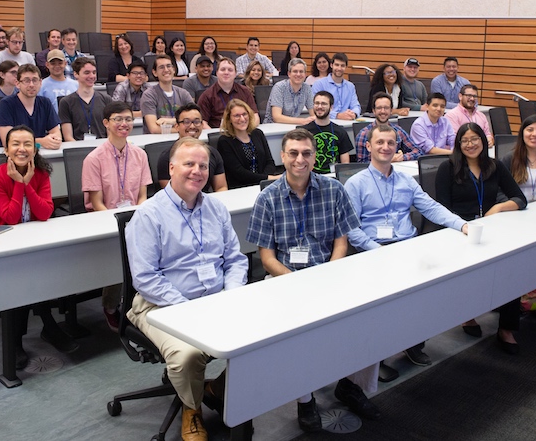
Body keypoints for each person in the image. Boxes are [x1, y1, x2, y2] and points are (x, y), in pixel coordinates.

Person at [246, 128, 378, 432]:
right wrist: (297, 282)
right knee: (298, 332)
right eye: (293, 153)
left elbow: (341, 243)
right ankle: (305, 400)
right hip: (285, 277)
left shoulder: (333, 190)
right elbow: (266, 258)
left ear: (315, 156)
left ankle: (350, 384)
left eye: (306, 153)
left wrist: (329, 275)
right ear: (283, 156)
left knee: (370, 312)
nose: (300, 159)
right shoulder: (268, 199)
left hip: (329, 272)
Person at [126, 137, 248, 441]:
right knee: (188, 355)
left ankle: (215, 388)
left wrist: (231, 295)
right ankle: (191, 409)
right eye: (189, 164)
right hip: (161, 305)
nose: (197, 171)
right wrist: (190, 309)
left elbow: (234, 259)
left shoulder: (216, 209)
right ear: (171, 167)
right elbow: (146, 278)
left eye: (203, 165)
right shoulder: (149, 214)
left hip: (216, 299)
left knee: (267, 335)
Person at [346, 123, 468, 368]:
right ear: (369, 146)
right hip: (374, 251)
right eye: (380, 142)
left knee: (422, 299)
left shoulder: (406, 180)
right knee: (380, 310)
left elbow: (430, 207)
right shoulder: (356, 183)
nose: (386, 147)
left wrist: (462, 225)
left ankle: (413, 344)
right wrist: (376, 250)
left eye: (391, 143)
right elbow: (350, 229)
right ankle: (375, 359)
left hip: (407, 246)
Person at [0, 125, 78, 367]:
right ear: (6, 150)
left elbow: (45, 212)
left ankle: (46, 328)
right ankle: (22, 338)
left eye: (28, 144)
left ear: (35, 150)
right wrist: (19, 183)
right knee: (23, 275)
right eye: (16, 144)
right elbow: (10, 218)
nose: (22, 149)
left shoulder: (41, 174)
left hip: (32, 241)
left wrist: (27, 183)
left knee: (39, 269)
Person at [435, 123, 527, 353]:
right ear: (458, 144)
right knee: (469, 274)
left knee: (511, 267)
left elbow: (520, 198)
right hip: (458, 231)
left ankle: (506, 328)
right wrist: (464, 225)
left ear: (483, 141)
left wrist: (498, 208)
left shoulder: (494, 167)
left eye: (475, 139)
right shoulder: (447, 169)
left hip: (490, 228)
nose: (470, 144)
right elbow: (442, 210)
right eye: (464, 140)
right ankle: (468, 316)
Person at [81, 101, 152, 330]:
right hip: (105, 220)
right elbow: (96, 203)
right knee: (118, 260)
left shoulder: (140, 155)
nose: (124, 124)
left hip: (135, 217)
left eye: (128, 119)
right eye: (118, 119)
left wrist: (137, 219)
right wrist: (121, 224)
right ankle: (110, 307)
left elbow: (142, 196)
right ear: (106, 123)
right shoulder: (94, 159)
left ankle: (139, 305)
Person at [156, 103, 227, 193]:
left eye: (197, 122)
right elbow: (170, 193)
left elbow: (221, 188)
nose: (192, 126)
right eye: (186, 122)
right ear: (177, 126)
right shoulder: (167, 156)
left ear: (202, 125)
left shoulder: (212, 153)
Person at [0, 64, 60, 148]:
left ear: (40, 82)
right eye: (26, 81)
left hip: (39, 155)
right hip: (11, 157)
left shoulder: (45, 103)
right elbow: (8, 141)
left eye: (35, 80)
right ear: (17, 83)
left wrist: (54, 140)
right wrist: (41, 142)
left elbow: (56, 133)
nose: (31, 85)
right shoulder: (6, 104)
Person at [217, 99, 279, 188]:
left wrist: (264, 181)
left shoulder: (258, 133)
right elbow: (239, 173)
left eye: (244, 114)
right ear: (229, 119)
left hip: (263, 185)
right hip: (240, 189)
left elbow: (270, 162)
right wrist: (267, 178)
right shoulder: (224, 141)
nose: (242, 119)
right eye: (237, 116)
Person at [355, 93, 423, 163]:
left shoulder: (398, 131)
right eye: (379, 108)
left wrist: (402, 157)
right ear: (373, 111)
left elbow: (418, 152)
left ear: (391, 111)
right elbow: (362, 164)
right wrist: (386, 159)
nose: (383, 111)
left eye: (386, 108)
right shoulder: (363, 134)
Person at [59, 57, 113, 141]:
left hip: (102, 148)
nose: (91, 76)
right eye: (87, 73)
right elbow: (68, 137)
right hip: (78, 150)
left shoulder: (106, 99)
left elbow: (111, 133)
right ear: (76, 74)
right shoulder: (66, 102)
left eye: (94, 72)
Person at [140, 55, 196, 134]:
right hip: (158, 142)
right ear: (155, 72)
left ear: (173, 70)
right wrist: (183, 128)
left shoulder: (183, 93)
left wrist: (171, 121)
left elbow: (195, 117)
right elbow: (154, 129)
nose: (166, 70)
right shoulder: (149, 95)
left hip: (182, 140)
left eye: (169, 66)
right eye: (161, 67)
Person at [300, 91, 352, 173]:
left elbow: (345, 163)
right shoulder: (303, 132)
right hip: (310, 177)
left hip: (333, 176)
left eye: (323, 104)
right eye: (317, 103)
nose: (319, 106)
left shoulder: (340, 131)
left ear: (331, 107)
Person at [197, 57, 258, 128]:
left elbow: (255, 116)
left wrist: (246, 131)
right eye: (223, 69)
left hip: (243, 131)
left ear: (235, 74)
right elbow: (202, 122)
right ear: (217, 73)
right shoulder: (207, 95)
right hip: (219, 134)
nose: (226, 72)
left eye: (230, 70)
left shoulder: (245, 91)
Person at [310, 53, 361, 120]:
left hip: (347, 122)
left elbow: (356, 105)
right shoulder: (319, 84)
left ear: (346, 67)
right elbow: (316, 107)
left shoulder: (350, 86)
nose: (339, 68)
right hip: (326, 122)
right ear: (331, 65)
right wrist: (337, 115)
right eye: (337, 65)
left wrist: (354, 113)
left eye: (342, 66)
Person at [265, 58, 314, 124]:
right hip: (273, 127)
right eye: (295, 71)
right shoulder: (279, 87)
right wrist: (303, 121)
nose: (298, 74)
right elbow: (277, 117)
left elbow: (313, 113)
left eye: (301, 71)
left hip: (292, 127)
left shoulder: (307, 88)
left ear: (305, 74)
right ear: (289, 74)